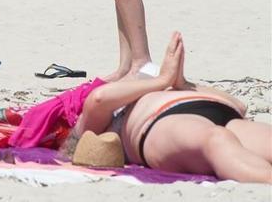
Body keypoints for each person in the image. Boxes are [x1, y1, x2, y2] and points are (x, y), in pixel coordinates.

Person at [64, 32, 272, 183]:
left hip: (220, 111)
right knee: (216, 140)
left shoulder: (161, 85)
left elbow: (239, 105)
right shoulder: (95, 127)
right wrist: (161, 81)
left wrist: (183, 83)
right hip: (160, 122)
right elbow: (98, 99)